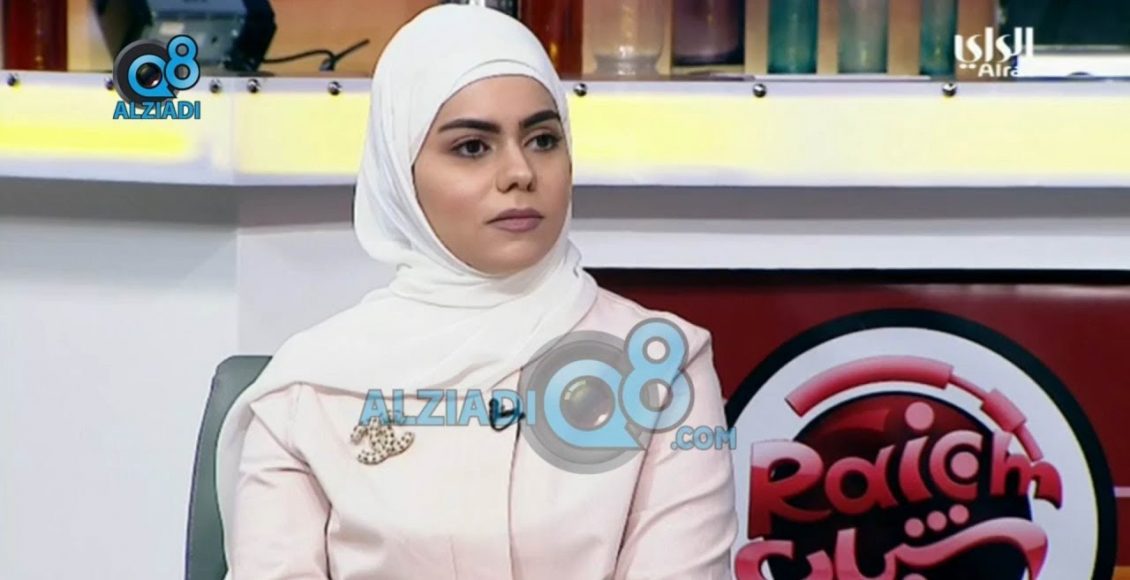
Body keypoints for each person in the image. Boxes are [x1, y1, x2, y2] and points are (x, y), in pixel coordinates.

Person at [214, 4, 738, 579]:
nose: (520, 173)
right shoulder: (307, 391)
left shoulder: (661, 367)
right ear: (401, 174)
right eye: (472, 147)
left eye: (542, 139)